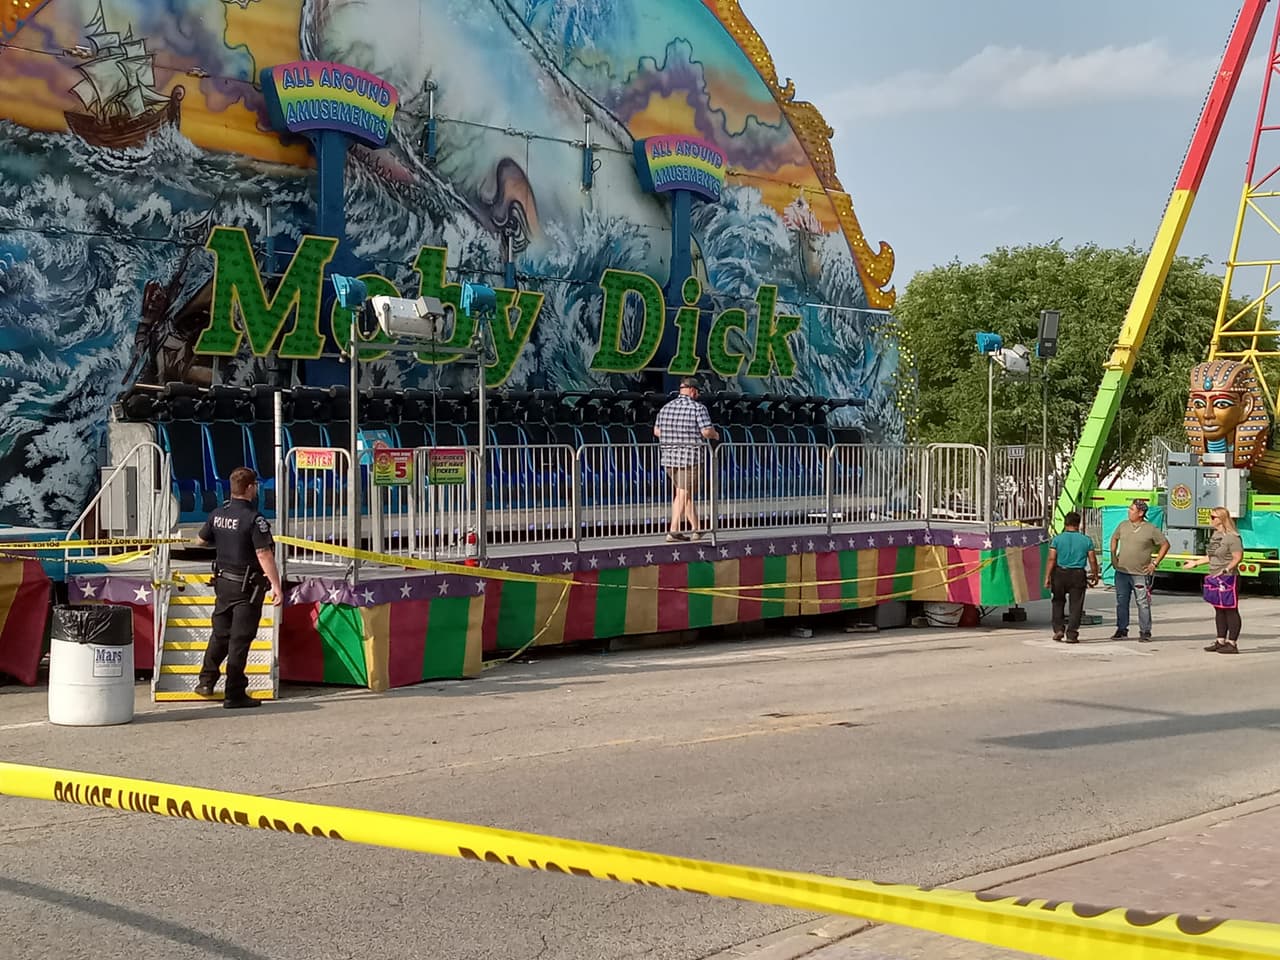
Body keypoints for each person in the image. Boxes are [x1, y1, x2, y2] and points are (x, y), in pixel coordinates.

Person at [193, 467, 284, 709]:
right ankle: (234, 693)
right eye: (256, 486)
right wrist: (276, 585)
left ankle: (206, 681)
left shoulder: (217, 513)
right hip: (247, 587)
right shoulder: (255, 519)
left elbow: (200, 541)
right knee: (240, 640)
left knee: (220, 634)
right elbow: (263, 553)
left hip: (222, 584)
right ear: (250, 488)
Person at [654, 377, 719, 542]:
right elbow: (706, 432)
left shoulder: (666, 408)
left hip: (669, 458)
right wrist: (716, 434)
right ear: (693, 390)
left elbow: (657, 431)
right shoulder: (698, 408)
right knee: (683, 493)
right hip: (690, 458)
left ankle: (697, 528)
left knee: (684, 493)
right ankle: (673, 530)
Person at [1181, 506, 1245, 654]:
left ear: (1221, 520)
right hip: (1214, 575)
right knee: (1219, 609)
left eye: (1213, 517)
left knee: (1230, 609)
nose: (1210, 519)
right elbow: (1211, 556)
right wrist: (1195, 563)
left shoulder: (1232, 537)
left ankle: (1232, 643)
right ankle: (1220, 640)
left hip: (1228, 577)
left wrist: (1227, 569)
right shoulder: (1215, 535)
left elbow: (1237, 557)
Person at [1108, 499, 1170, 642]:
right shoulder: (1123, 526)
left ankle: (1145, 631)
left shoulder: (1151, 529)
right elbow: (1114, 538)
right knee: (1121, 601)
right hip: (1122, 572)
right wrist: (1113, 555)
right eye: (1129, 509)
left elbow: (1165, 545)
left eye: (1132, 509)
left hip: (1140, 573)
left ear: (1141, 513)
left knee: (1142, 603)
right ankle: (1122, 629)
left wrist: (1155, 563)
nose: (1129, 512)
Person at [1043, 511, 1100, 644]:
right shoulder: (1086, 540)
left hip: (1060, 573)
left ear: (1065, 523)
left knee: (1058, 602)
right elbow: (1092, 559)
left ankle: (1058, 629)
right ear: (1078, 524)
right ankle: (1072, 634)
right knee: (1076, 605)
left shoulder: (1057, 539)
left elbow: (1052, 558)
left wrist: (1047, 577)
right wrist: (1095, 574)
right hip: (1078, 574)